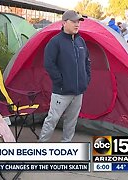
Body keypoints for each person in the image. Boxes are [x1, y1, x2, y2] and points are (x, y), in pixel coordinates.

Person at [39, 10, 91, 142]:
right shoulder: (55, 42)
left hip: (78, 91)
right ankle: (41, 146)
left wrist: (86, 78)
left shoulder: (81, 41)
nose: (77, 24)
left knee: (71, 121)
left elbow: (87, 61)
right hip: (61, 92)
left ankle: (66, 145)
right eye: (73, 21)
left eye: (78, 21)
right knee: (52, 119)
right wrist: (60, 81)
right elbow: (48, 64)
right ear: (64, 23)